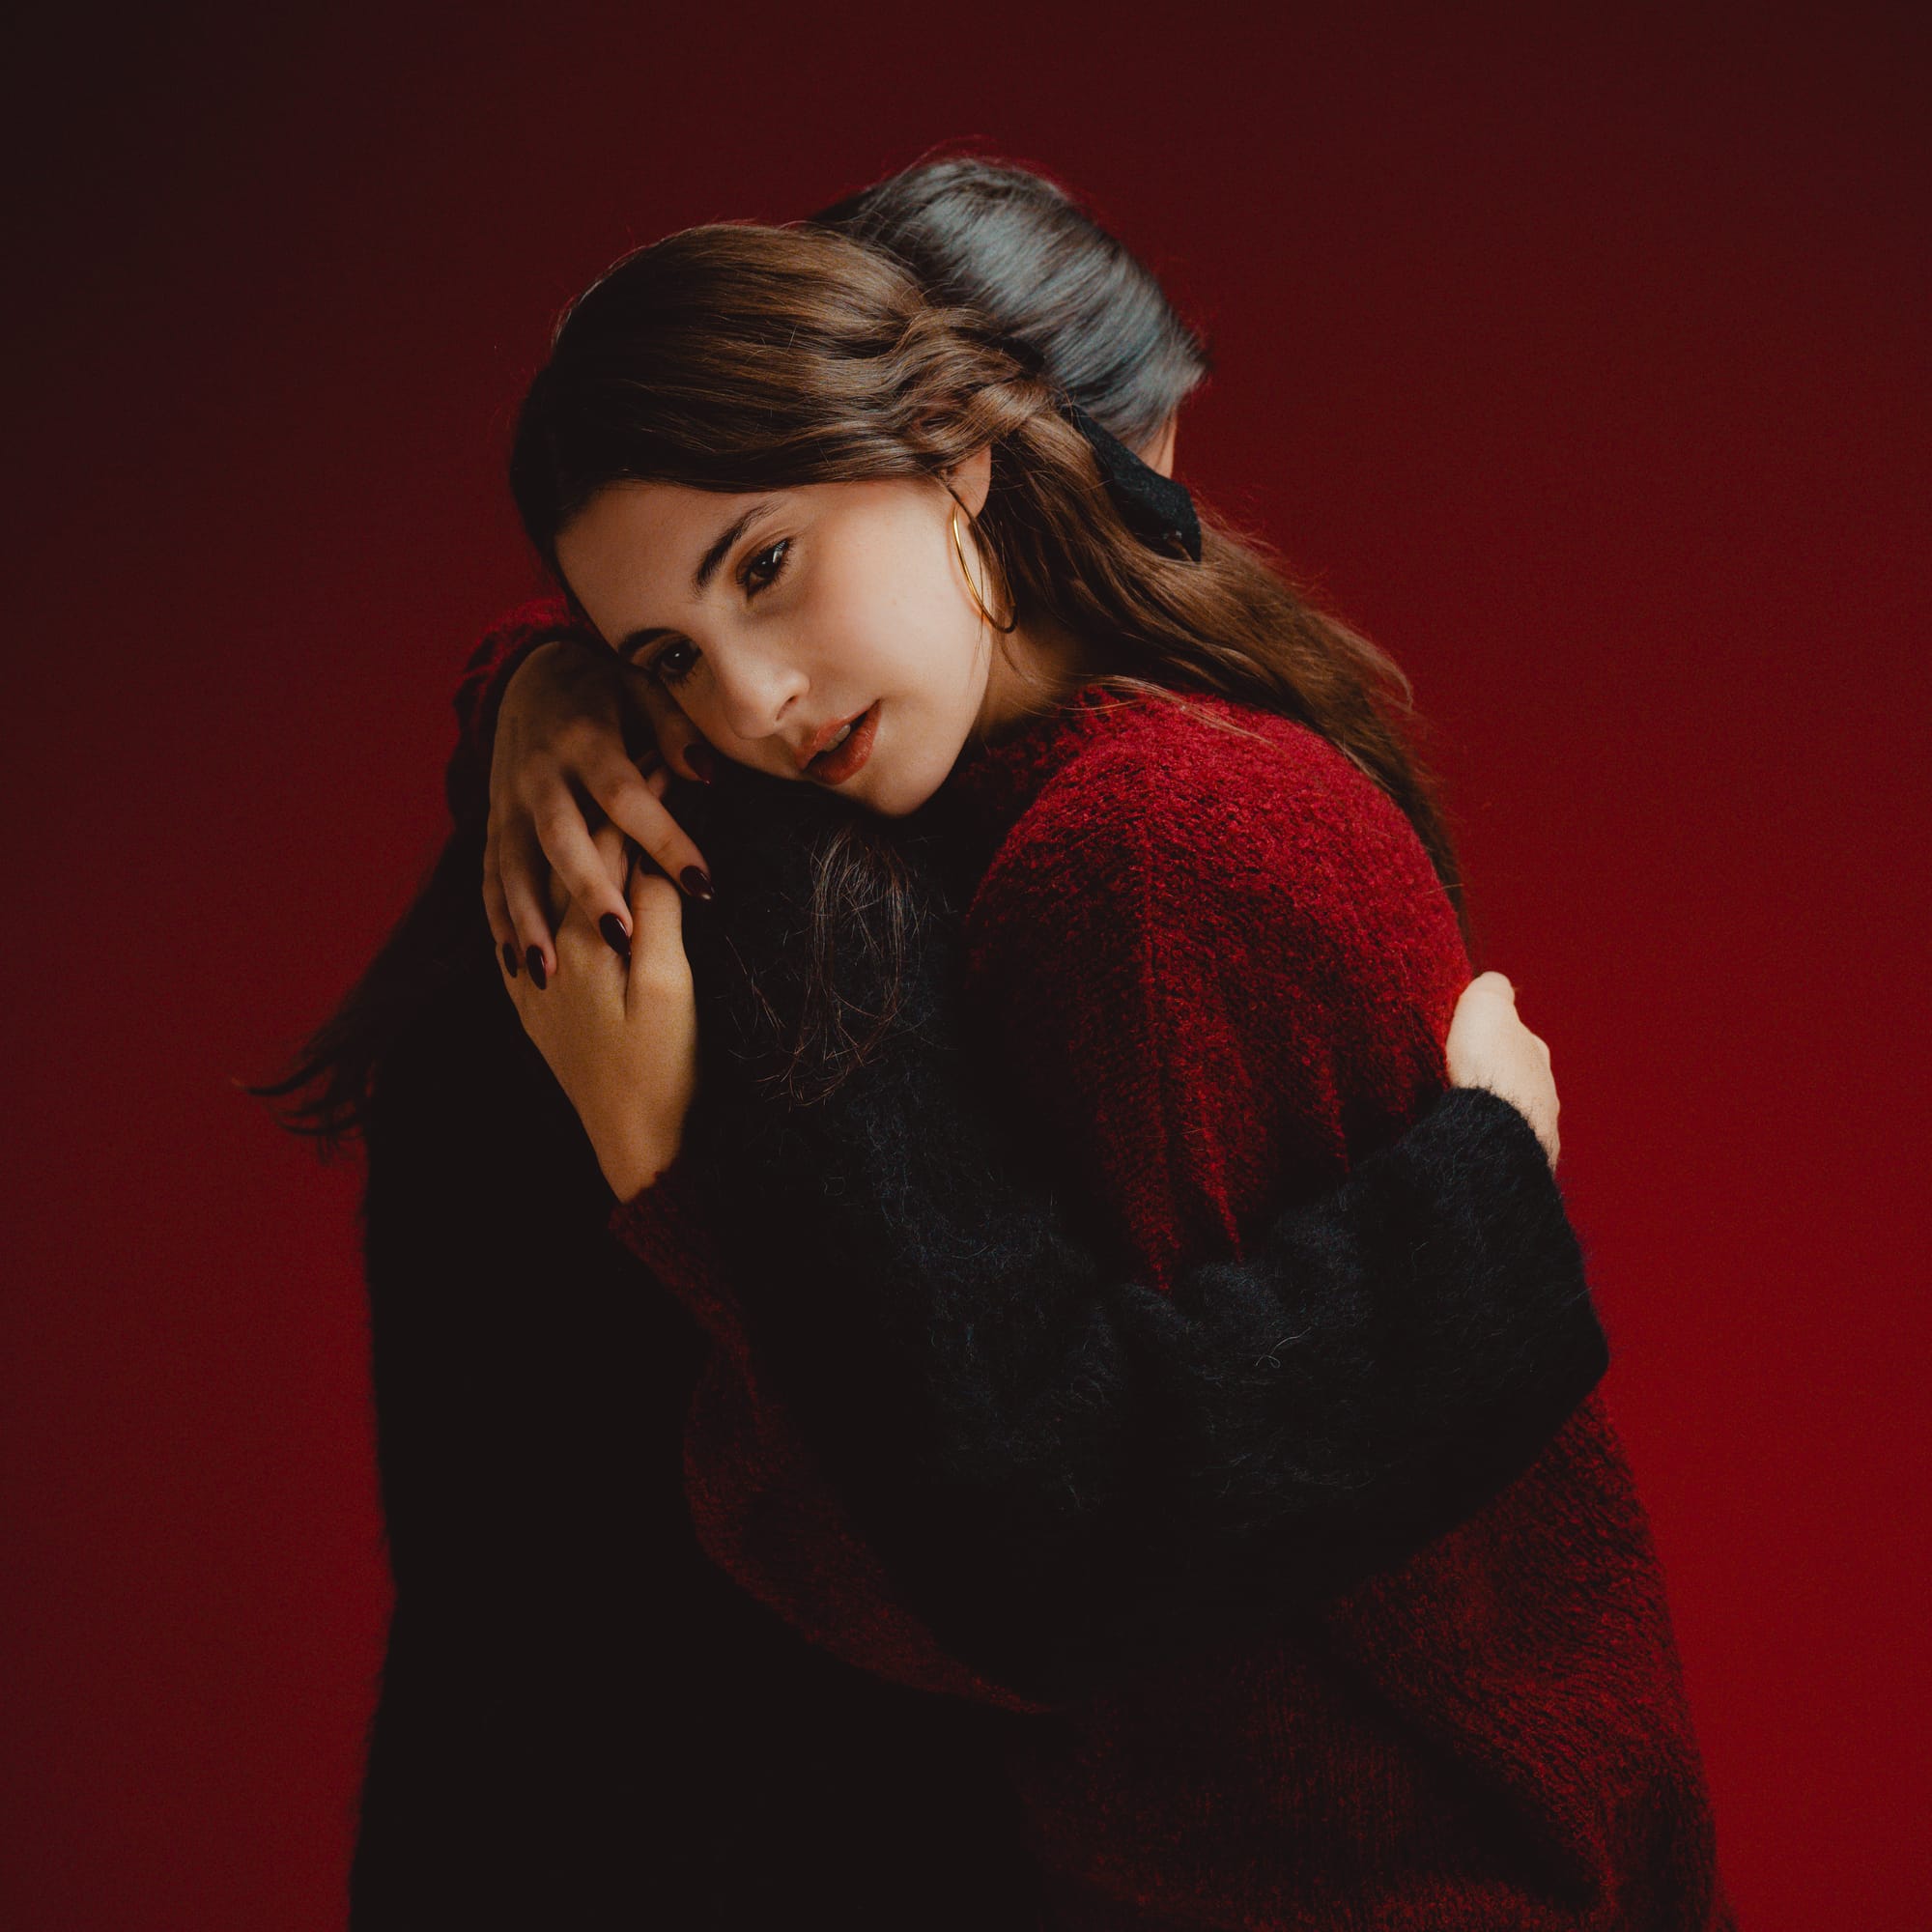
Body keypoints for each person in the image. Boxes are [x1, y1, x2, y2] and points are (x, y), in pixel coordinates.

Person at [254, 161, 1652, 1925]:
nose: (752, 698)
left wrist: (544, 696)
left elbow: (1071, 1536)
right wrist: (1483, 1202)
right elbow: (1044, 1537)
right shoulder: (782, 860)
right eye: (671, 651)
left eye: (770, 569)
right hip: (683, 1832)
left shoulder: (1096, 829)